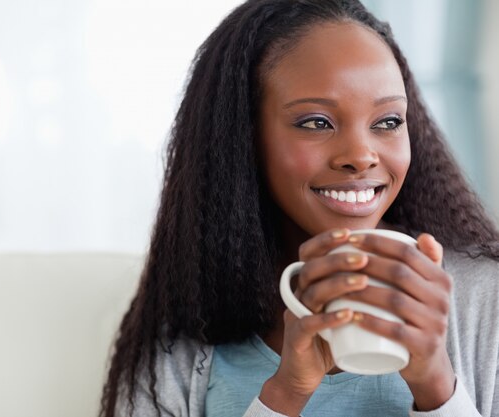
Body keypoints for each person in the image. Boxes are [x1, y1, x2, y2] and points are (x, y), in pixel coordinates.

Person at [100, 0, 499, 416]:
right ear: (243, 138)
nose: (361, 156)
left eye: (388, 121)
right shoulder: (181, 335)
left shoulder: (487, 301)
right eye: (316, 122)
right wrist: (287, 392)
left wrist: (436, 384)